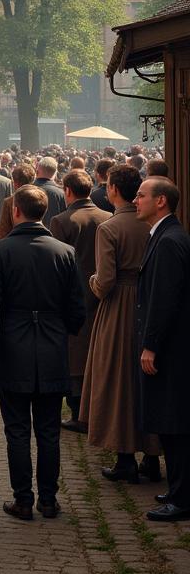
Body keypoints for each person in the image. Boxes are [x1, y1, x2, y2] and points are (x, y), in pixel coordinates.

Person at [0, 186, 85, 521]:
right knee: (49, 430)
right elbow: (76, 308)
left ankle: (23, 499)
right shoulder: (65, 252)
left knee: (16, 430)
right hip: (52, 345)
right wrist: (63, 330)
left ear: (16, 211)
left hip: (13, 347)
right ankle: (49, 499)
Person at [81, 165, 161, 484]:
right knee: (146, 379)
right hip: (148, 302)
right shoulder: (151, 224)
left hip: (119, 308)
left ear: (113, 189)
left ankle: (125, 457)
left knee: (117, 380)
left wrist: (93, 283)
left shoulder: (110, 227)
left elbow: (106, 280)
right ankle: (153, 456)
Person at [134, 177, 190, 521]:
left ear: (161, 202)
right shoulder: (165, 236)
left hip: (171, 350)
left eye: (142, 195)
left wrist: (150, 346)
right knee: (169, 422)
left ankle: (183, 498)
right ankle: (178, 489)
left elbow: (163, 300)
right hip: (171, 348)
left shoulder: (169, 241)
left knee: (175, 422)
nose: (135, 200)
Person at [49, 169, 109, 432]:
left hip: (73, 294)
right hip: (103, 293)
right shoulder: (107, 217)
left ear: (68, 191)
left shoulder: (61, 221)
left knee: (74, 354)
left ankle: (77, 412)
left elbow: (56, 265)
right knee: (97, 350)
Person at [0, 163, 36, 242]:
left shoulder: (10, 202)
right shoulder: (42, 198)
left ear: (15, 183)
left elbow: (3, 232)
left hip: (14, 245)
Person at [34, 157, 66, 227]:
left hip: (29, 236)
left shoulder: (25, 190)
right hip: (53, 235)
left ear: (37, 171)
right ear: (55, 173)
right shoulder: (61, 194)